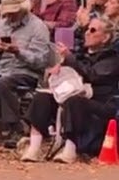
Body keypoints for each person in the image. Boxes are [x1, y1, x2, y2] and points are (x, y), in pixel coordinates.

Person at [22, 16, 119, 163]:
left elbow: (93, 76)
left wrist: (70, 59)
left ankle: (70, 149)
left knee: (74, 101)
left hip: (100, 103)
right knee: (42, 97)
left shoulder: (112, 58)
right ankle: (34, 148)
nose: (87, 33)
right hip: (72, 96)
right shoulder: (82, 55)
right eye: (87, 29)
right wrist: (58, 72)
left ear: (105, 37)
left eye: (93, 30)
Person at [0, 0, 52, 147]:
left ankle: (15, 127)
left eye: (13, 12)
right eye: (7, 13)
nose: (10, 16)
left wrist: (19, 52)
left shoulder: (38, 27)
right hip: (0, 69)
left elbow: (41, 61)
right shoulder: (0, 26)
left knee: (4, 82)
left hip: (26, 72)